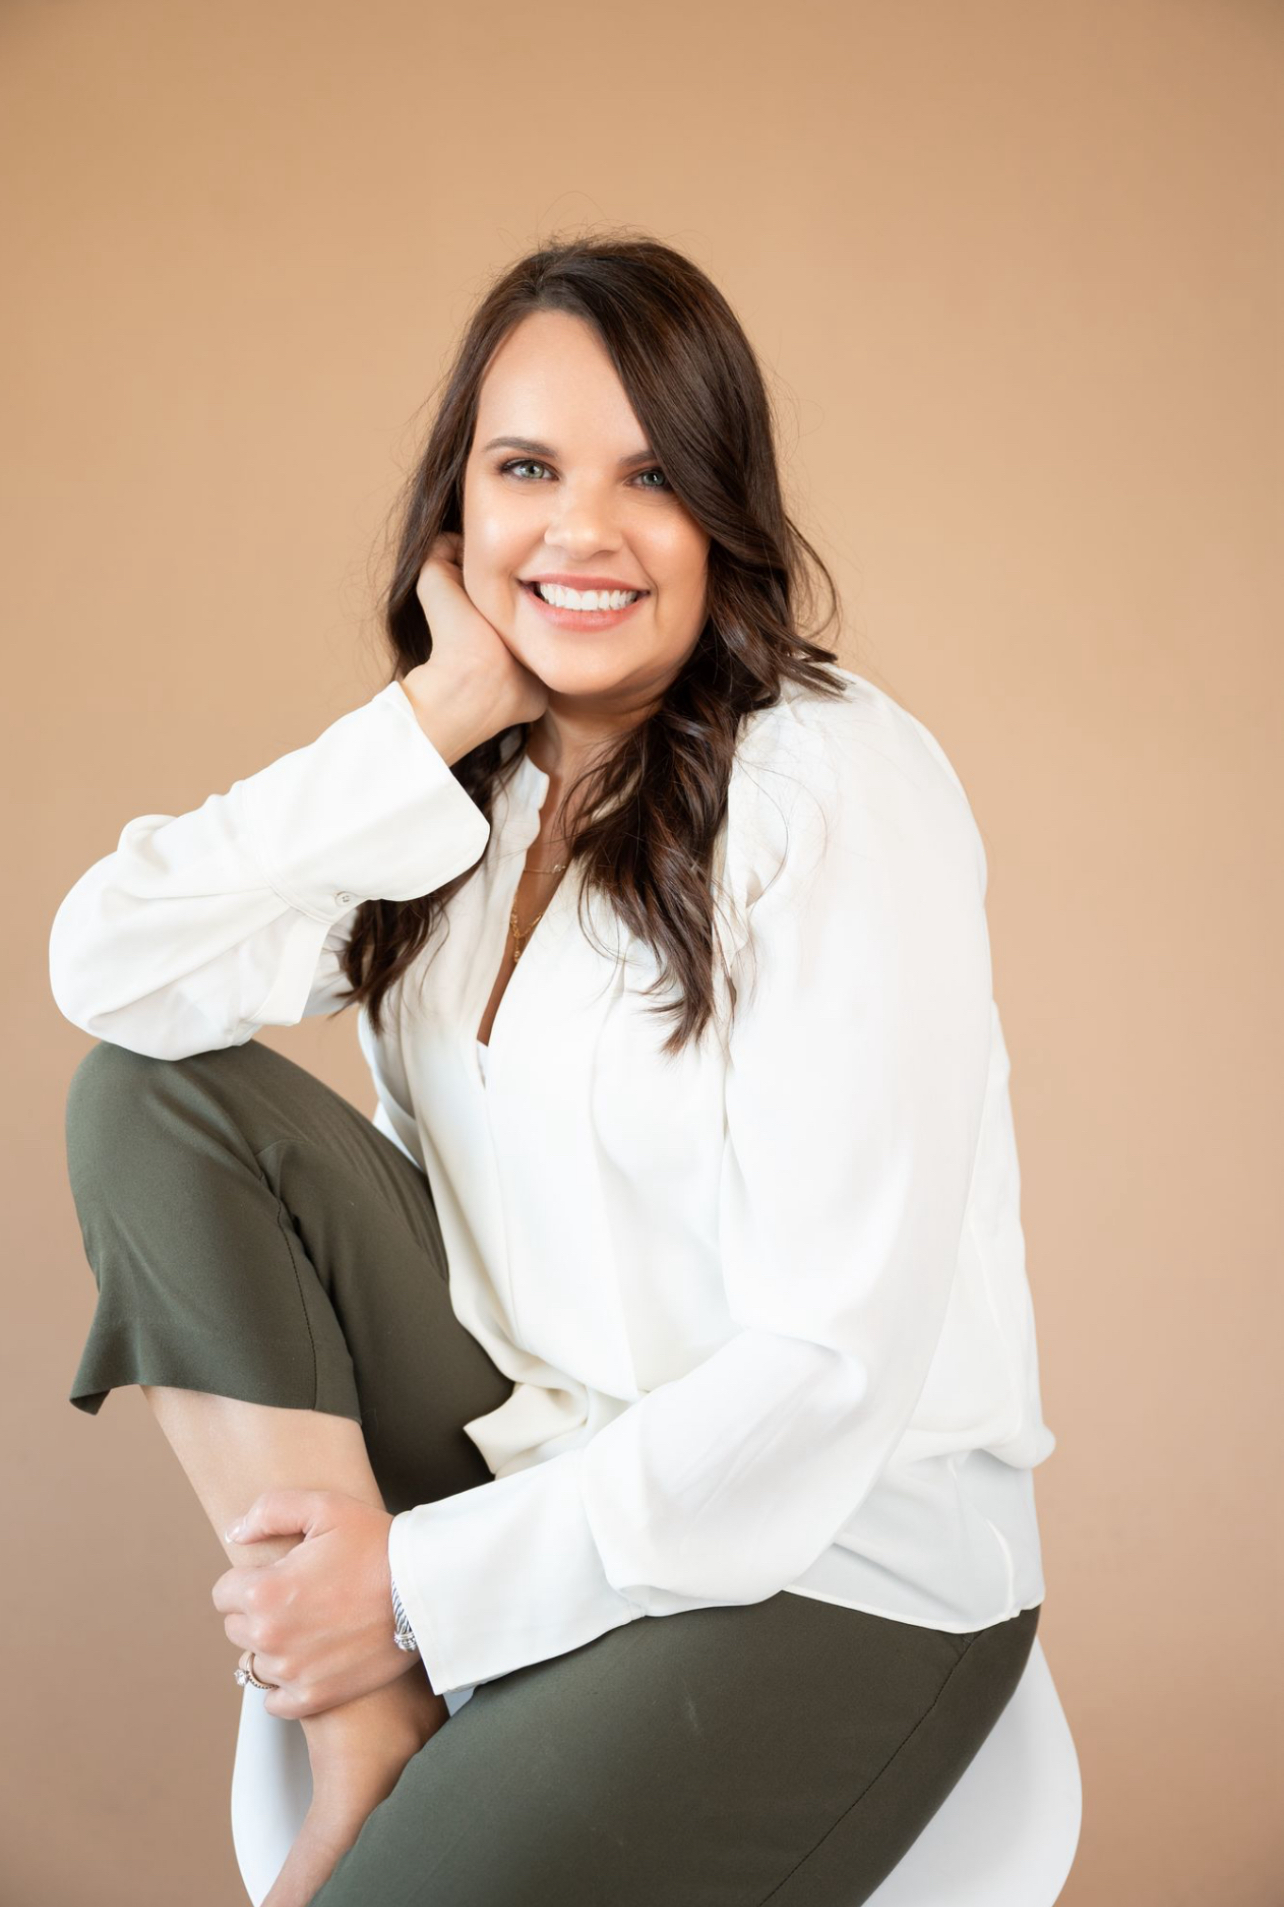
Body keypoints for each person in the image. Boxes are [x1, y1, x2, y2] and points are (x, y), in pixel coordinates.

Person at [50, 232, 1056, 1907]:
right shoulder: (463, 791)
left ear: (722, 511)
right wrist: (435, 714)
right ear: (462, 500)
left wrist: (410, 1579)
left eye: (650, 477)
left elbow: (823, 1370)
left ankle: (383, 1647)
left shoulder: (832, 787)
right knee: (150, 1094)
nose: (580, 531)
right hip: (540, 1457)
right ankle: (368, 1717)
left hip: (829, 1568)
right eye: (527, 468)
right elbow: (116, 968)